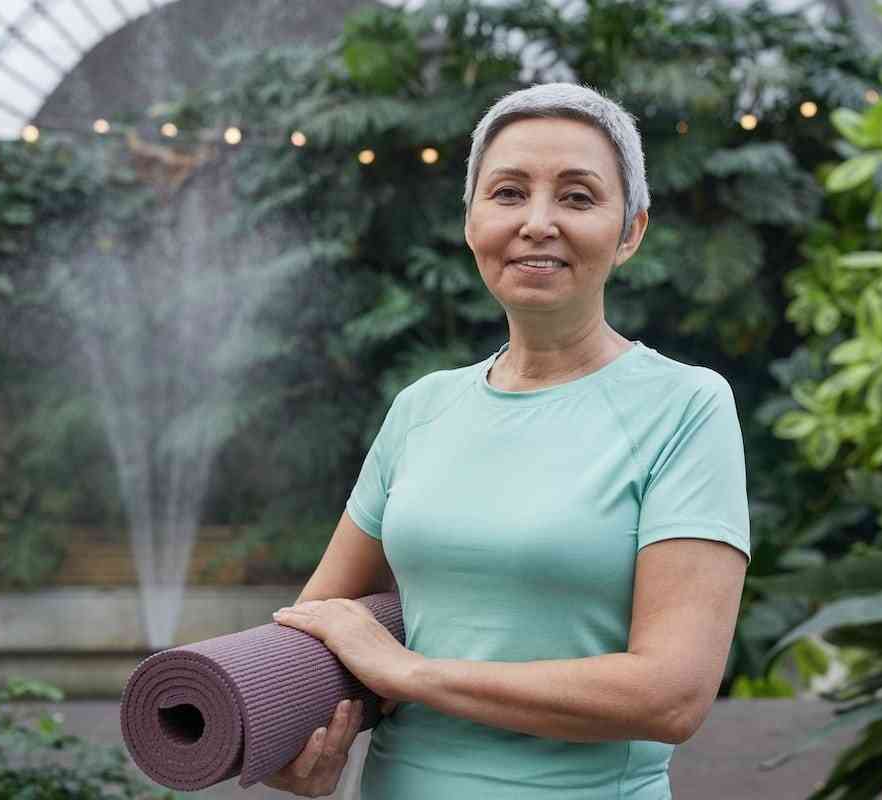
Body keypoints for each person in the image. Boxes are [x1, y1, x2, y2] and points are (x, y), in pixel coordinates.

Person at [263, 81, 750, 799]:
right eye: (508, 193)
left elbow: (671, 694)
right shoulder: (422, 408)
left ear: (630, 232)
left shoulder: (684, 406)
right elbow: (313, 633)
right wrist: (286, 735)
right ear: (471, 221)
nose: (538, 222)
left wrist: (412, 674)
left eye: (578, 197)